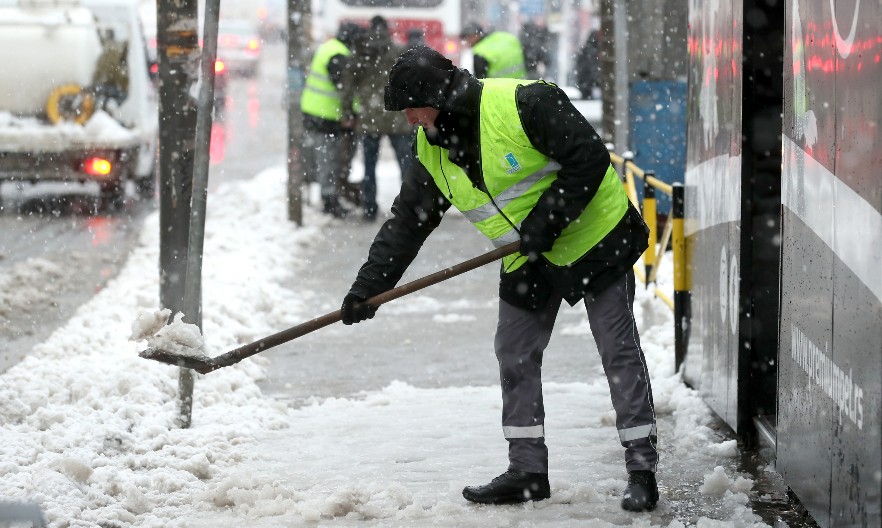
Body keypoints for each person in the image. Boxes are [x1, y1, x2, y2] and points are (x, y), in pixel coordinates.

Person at [339, 45, 659, 512]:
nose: (408, 119)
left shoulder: (525, 104)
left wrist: (547, 220)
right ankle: (527, 471)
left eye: (412, 106)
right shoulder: (432, 147)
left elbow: (588, 158)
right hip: (527, 257)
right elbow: (409, 222)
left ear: (439, 96)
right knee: (514, 353)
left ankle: (641, 469)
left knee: (616, 349)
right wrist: (368, 289)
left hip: (595, 241)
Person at [341, 16, 414, 220]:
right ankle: (408, 210)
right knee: (405, 165)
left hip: (369, 118)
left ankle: (369, 208)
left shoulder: (360, 53)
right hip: (396, 117)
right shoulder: (399, 51)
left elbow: (347, 87)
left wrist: (347, 112)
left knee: (369, 166)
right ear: (388, 30)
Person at [300, 23, 362, 218]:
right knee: (328, 156)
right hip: (325, 115)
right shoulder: (339, 55)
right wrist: (350, 113)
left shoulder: (329, 47)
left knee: (320, 155)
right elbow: (344, 87)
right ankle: (329, 200)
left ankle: (326, 194)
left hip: (314, 110)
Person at [460, 23, 526, 79]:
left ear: (475, 36)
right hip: (520, 84)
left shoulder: (480, 52)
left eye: (467, 38)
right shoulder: (505, 36)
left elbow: (480, 81)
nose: (467, 42)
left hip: (500, 89)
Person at [575, 30, 602, 99]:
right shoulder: (591, 51)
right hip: (589, 85)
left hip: (586, 85)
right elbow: (593, 69)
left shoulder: (586, 50)